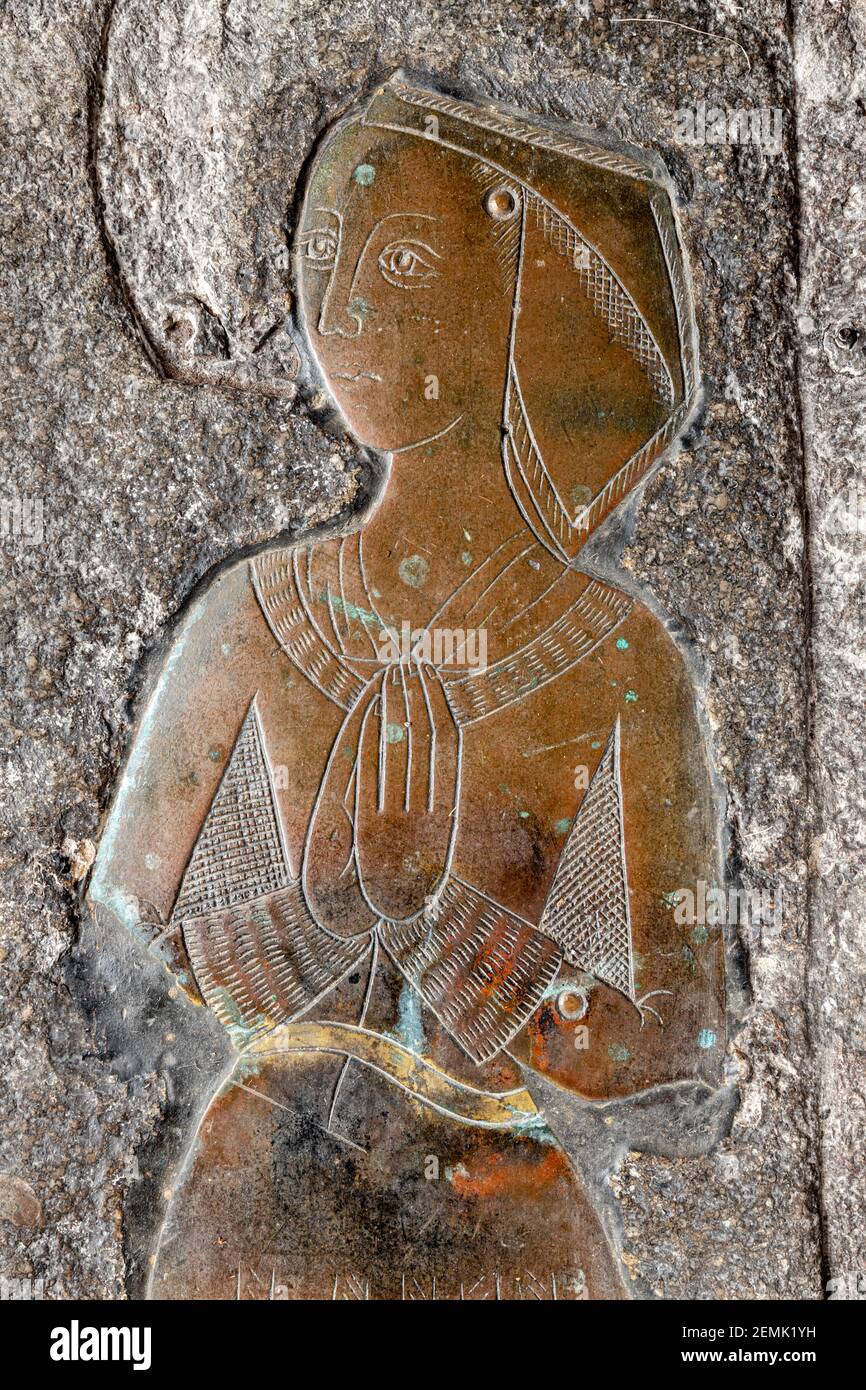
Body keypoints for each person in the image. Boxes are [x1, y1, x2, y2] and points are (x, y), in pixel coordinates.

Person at [88, 76, 723, 1300]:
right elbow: (121, 950)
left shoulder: (613, 655)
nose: (346, 305)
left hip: (505, 1224)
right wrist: (295, 939)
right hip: (254, 1221)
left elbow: (683, 1047)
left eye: (407, 262)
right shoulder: (251, 620)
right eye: (324, 259)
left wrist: (489, 962)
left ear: (521, 300)